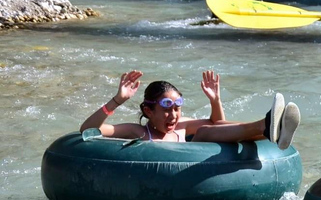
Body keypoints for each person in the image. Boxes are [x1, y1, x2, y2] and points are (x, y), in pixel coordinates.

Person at [79, 70, 300, 150]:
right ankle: (267, 125)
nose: (173, 115)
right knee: (203, 132)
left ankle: (269, 128)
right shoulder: (137, 132)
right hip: (170, 181)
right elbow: (88, 129)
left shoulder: (181, 126)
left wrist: (216, 100)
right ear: (148, 111)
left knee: (208, 127)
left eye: (177, 108)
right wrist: (117, 100)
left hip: (193, 171)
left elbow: (217, 124)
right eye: (166, 109)